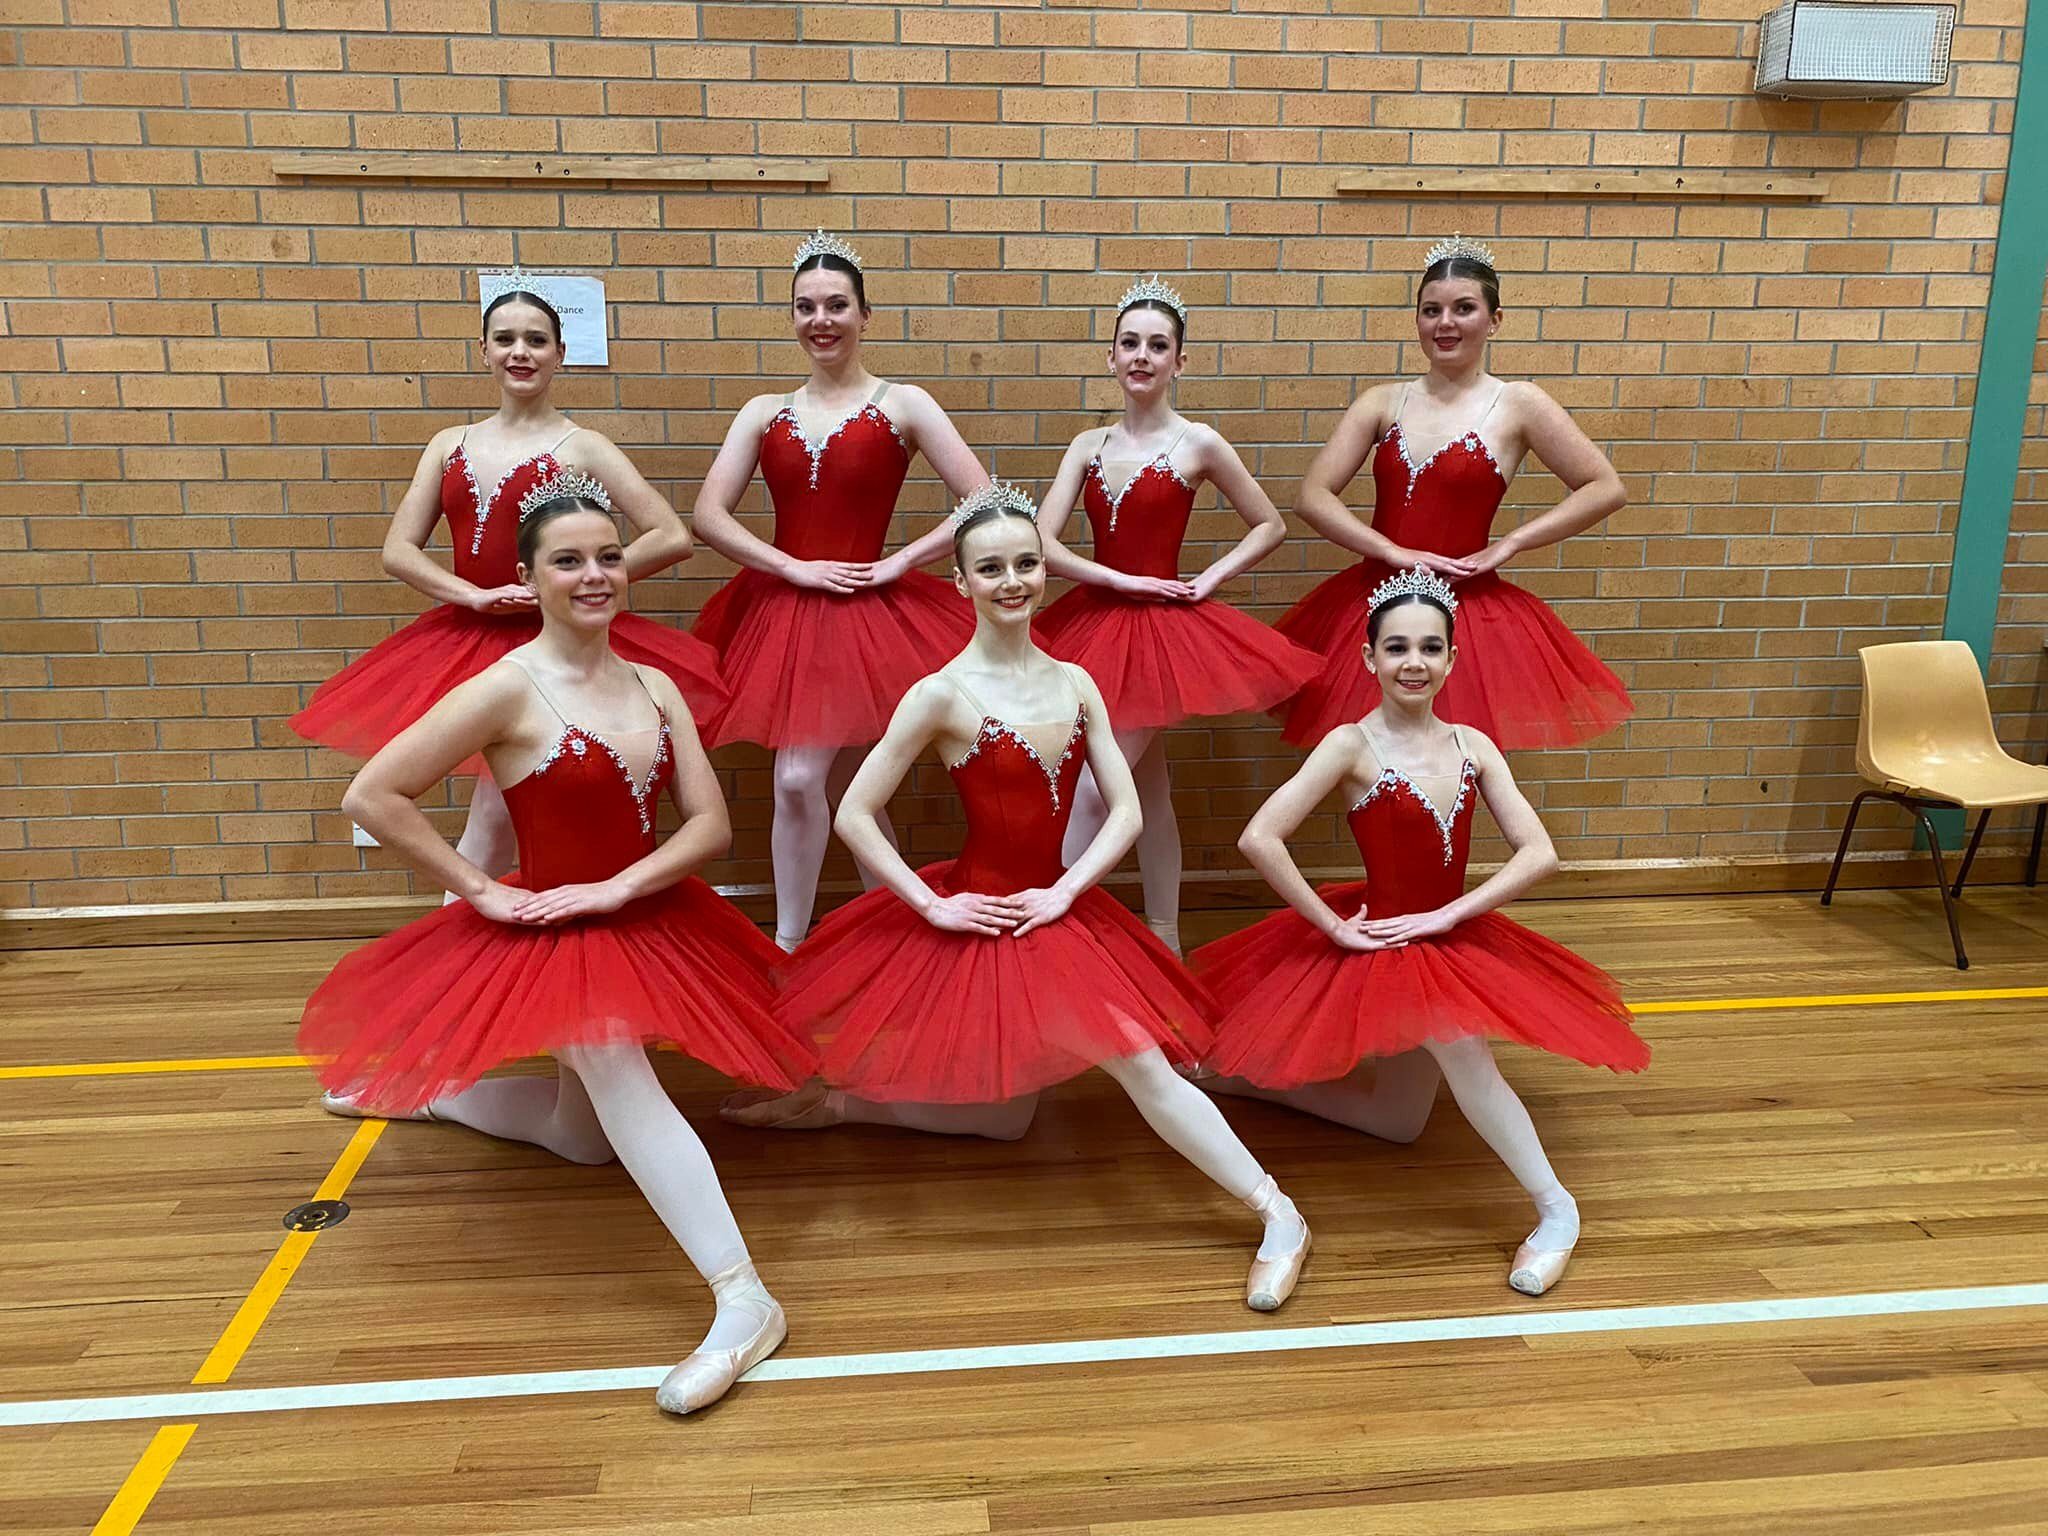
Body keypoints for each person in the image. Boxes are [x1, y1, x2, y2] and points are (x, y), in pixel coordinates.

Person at [301, 471, 817, 1415]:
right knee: (612, 1061)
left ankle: (438, 1095)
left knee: (583, 1138)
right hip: (555, 928)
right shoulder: (504, 687)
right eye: (569, 561)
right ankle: (745, 1297)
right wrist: (481, 889)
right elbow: (372, 793)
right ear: (530, 578)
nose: (595, 575)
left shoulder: (657, 684)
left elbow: (709, 826)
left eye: (609, 557)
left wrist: (622, 885)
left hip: (648, 916)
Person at [727, 482, 1312, 1312]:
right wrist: (932, 906)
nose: (1013, 581)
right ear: (961, 581)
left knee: (1141, 1061)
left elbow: (1127, 811)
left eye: (1027, 564)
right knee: (1003, 1117)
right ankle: (844, 1104)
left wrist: (1068, 892)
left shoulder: (1078, 682)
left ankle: (1278, 1214)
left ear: (1045, 569)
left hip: (1057, 909)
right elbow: (853, 811)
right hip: (982, 909)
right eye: (991, 567)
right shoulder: (940, 692)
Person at [1193, 567, 1649, 1296]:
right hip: (1385, 937)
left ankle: (1240, 1083)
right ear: (1369, 657)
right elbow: (1260, 837)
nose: (1414, 662)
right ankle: (1557, 1209)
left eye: (1431, 648)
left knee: (1397, 1119)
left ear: (1452, 658)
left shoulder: (1474, 745)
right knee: (1464, 1058)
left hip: (1446, 934)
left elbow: (1539, 852)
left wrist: (1450, 914)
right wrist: (1331, 925)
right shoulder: (1350, 745)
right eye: (1397, 647)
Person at [290, 288, 727, 890]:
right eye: (506, 339)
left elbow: (671, 535)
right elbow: (398, 550)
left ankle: (515, 917)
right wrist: (469, 595)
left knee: (498, 817)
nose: (520, 352)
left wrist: (575, 580)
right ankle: (481, 921)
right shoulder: (449, 444)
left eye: (536, 340)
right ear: (484, 350)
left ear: (559, 354)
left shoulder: (583, 445)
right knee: (490, 820)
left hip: (555, 640)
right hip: (465, 640)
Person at [690, 232, 989, 951]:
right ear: (792, 317)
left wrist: (898, 564)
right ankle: (819, 938)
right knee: (829, 782)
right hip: (785, 615)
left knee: (821, 780)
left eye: (836, 305)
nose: (820, 320)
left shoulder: (904, 402)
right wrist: (788, 567)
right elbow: (707, 514)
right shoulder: (764, 410)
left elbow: (983, 497)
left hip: (866, 611)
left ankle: (818, 939)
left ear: (864, 314)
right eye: (806, 307)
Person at [1034, 276, 1318, 955]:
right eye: (1130, 343)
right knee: (1147, 787)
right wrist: (1115, 578)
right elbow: (1041, 543)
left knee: (1094, 792)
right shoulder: (1088, 445)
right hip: (1095, 623)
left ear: (1179, 362)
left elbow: (1269, 523)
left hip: (1161, 632)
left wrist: (1206, 580)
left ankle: (1049, 919)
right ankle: (1164, 931)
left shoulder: (1199, 443)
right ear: (1110, 356)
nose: (1142, 356)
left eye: (1157, 346)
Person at [1277, 235, 1632, 751]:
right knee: (1370, 760)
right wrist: (1390, 551)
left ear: (1494, 319)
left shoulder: (1519, 403)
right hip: (1375, 603)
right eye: (1432, 311)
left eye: (1463, 308)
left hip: (1468, 613)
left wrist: (1511, 544)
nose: (1445, 323)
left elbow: (1605, 487)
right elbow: (1312, 495)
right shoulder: (1384, 402)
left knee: (1455, 761)